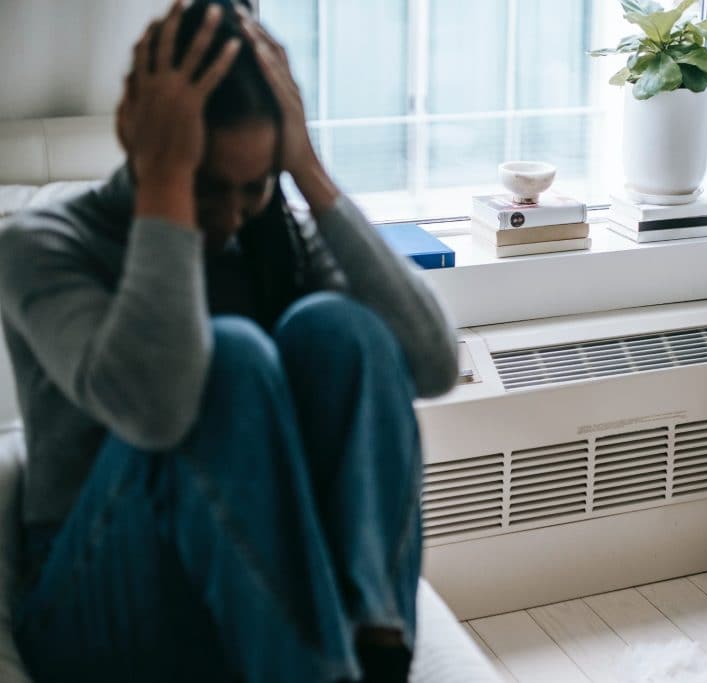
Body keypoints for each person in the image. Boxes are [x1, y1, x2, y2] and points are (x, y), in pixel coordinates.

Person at [0, 1, 458, 681]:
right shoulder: (44, 243)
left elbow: (432, 363)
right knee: (233, 356)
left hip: (246, 583)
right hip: (91, 598)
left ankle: (376, 650)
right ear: (143, 135)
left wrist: (308, 172)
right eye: (207, 187)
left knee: (342, 329)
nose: (230, 217)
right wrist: (164, 185)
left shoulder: (274, 239)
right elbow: (157, 407)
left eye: (254, 188)